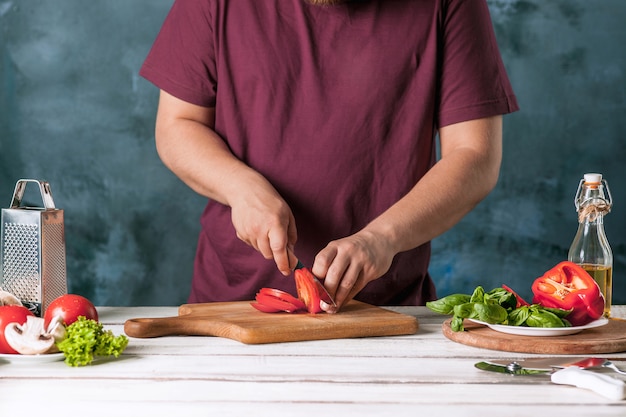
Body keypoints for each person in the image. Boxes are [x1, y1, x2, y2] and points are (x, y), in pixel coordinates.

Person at [140, 0, 519, 313]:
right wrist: (241, 189)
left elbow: (475, 154)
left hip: (383, 309)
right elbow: (178, 125)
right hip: (230, 301)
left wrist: (381, 239)